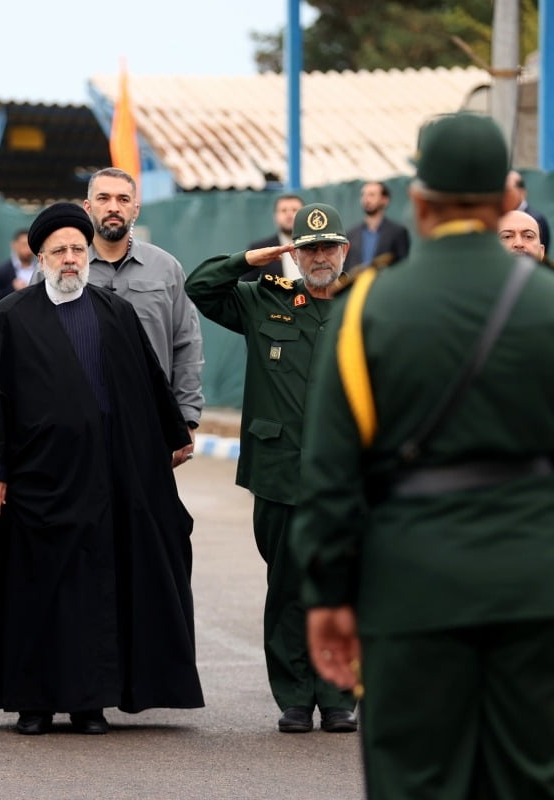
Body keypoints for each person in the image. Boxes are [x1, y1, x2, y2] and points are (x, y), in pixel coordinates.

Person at [293, 112, 554, 799]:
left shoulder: (366, 310)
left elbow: (330, 474)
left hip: (409, 590)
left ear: (418, 203)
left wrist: (327, 594)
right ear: (509, 201)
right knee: (524, 784)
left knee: (414, 784)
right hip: (534, 590)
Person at [0, 202, 203, 735]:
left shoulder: (114, 312)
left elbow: (146, 384)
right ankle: (34, 703)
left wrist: (172, 436)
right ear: (39, 256)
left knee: (97, 592)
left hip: (104, 481)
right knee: (35, 593)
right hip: (34, 485)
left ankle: (91, 702)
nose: (70, 259)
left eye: (77, 249)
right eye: (59, 251)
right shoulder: (12, 315)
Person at [186, 203, 359, 734]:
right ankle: (294, 696)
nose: (319, 256)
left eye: (328, 246)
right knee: (286, 585)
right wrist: (248, 258)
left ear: (344, 251)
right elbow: (201, 288)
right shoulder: (265, 300)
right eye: (308, 248)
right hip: (280, 470)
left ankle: (337, 697)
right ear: (294, 253)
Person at [77, 167, 204, 453]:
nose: (113, 207)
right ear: (87, 207)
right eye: (103, 198)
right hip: (78, 425)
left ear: (136, 209)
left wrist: (186, 418)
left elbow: (187, 345)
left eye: (123, 200)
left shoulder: (166, 268)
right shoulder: (64, 268)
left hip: (150, 423)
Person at [345, 181, 410, 269]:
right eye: (363, 195)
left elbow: (403, 266)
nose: (366, 199)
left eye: (371, 195)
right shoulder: (351, 235)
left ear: (384, 200)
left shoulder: (398, 232)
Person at [243, 193, 303, 281]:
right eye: (283, 210)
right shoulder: (259, 250)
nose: (289, 215)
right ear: (275, 216)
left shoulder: (317, 246)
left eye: (294, 210)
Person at [0, 229, 36, 307]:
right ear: (14, 245)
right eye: (24, 244)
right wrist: (12, 289)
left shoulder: (42, 270)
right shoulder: (0, 271)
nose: (27, 249)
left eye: (30, 245)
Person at [506, 170, 552, 256]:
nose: (518, 244)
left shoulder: (536, 219)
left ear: (522, 192)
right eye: (507, 237)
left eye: (528, 236)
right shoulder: (497, 218)